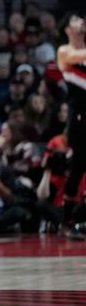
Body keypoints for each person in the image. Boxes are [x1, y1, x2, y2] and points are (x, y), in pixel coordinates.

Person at [56, 13, 86, 230]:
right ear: (67, 29)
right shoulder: (64, 51)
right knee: (78, 165)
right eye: (76, 20)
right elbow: (75, 58)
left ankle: (76, 216)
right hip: (78, 115)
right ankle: (68, 218)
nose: (81, 22)